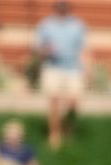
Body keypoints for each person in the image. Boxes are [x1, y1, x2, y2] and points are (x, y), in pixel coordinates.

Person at [35, 0, 89, 149]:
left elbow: (83, 49)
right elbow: (38, 49)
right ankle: (55, 133)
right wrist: (46, 50)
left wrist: (87, 69)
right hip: (53, 67)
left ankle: (67, 126)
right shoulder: (46, 25)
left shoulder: (77, 25)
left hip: (73, 68)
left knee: (74, 102)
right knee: (53, 101)